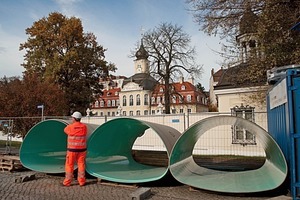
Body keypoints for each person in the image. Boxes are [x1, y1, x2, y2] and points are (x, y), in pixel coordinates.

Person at [63, 111, 87, 186]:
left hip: (72, 150)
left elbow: (65, 130)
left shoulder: (70, 127)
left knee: (70, 165)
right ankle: (82, 181)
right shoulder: (84, 127)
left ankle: (67, 182)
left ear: (74, 118)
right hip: (82, 150)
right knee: (81, 164)